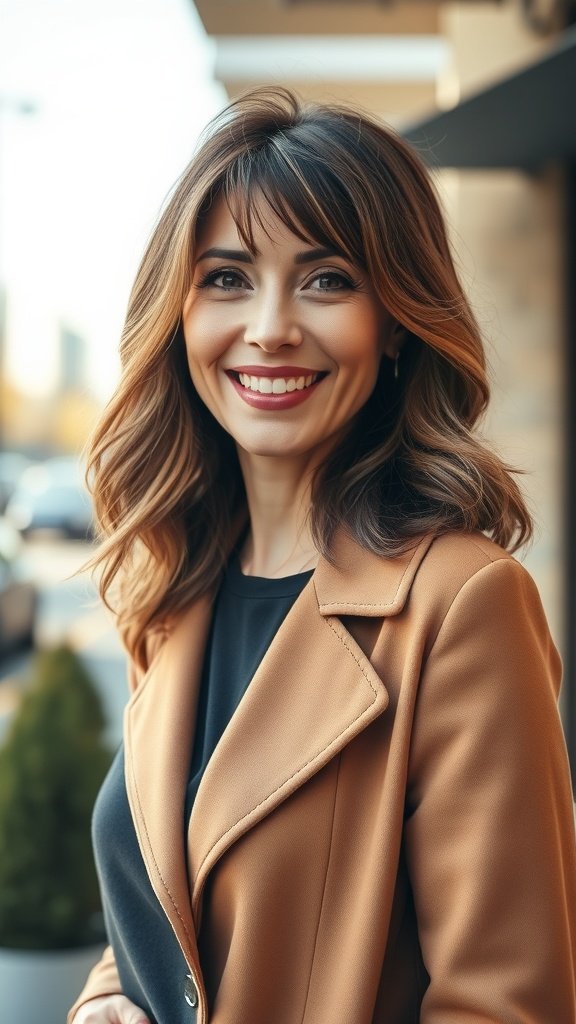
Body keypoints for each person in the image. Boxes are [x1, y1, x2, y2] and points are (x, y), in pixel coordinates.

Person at [68, 87, 576, 1024]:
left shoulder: (463, 604)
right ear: (179, 316)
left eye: (328, 279)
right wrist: (106, 998)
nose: (270, 326)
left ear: (396, 322)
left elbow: (505, 1006)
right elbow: (166, 907)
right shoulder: (173, 587)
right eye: (227, 278)